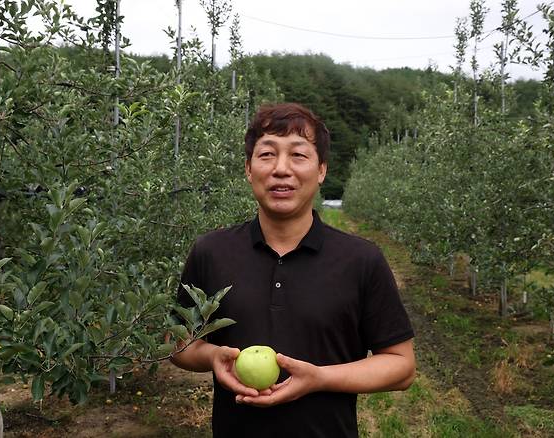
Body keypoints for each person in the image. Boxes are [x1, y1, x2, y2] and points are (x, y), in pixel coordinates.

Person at [170, 103, 415, 438]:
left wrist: (320, 379)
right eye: (267, 154)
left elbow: (401, 366)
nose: (281, 169)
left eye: (298, 155)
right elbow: (177, 343)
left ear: (321, 171)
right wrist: (214, 357)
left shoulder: (360, 260)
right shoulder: (211, 251)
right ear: (248, 168)